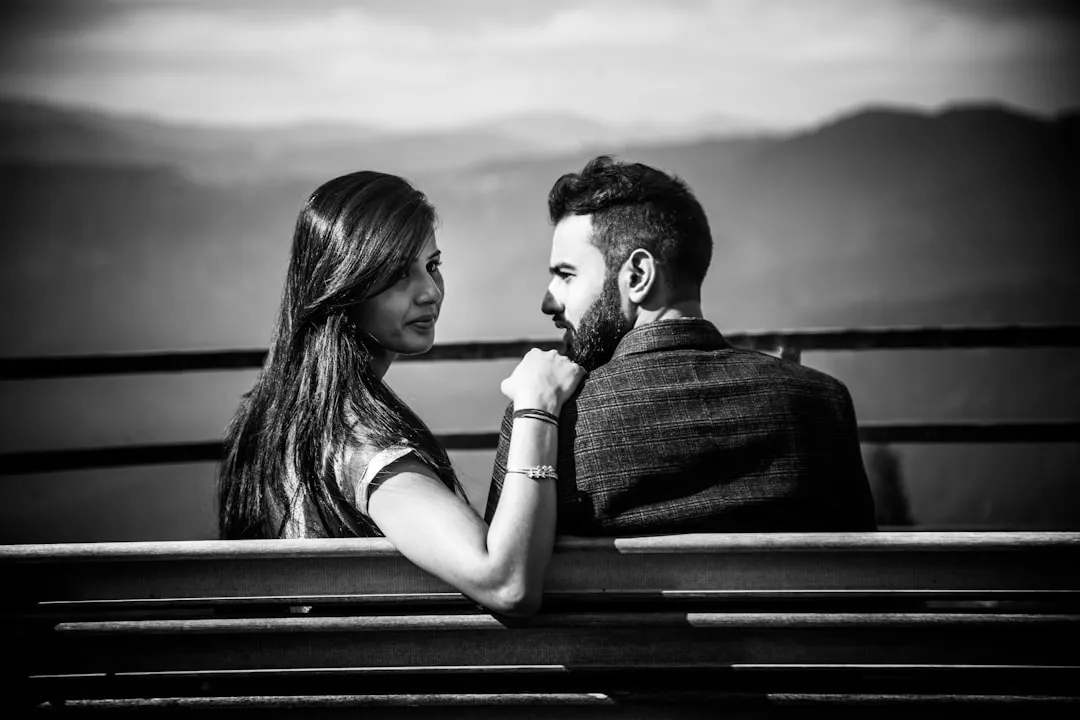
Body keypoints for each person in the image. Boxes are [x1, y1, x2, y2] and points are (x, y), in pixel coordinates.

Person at [219, 171, 584, 616]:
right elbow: (507, 583)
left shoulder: (277, 416)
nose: (430, 292)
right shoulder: (360, 445)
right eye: (398, 273)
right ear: (344, 283)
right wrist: (537, 408)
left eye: (432, 266)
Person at [485, 156, 877, 533]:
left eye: (566, 275)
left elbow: (510, 569)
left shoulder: (547, 425)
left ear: (638, 275)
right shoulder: (821, 404)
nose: (548, 300)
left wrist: (533, 418)